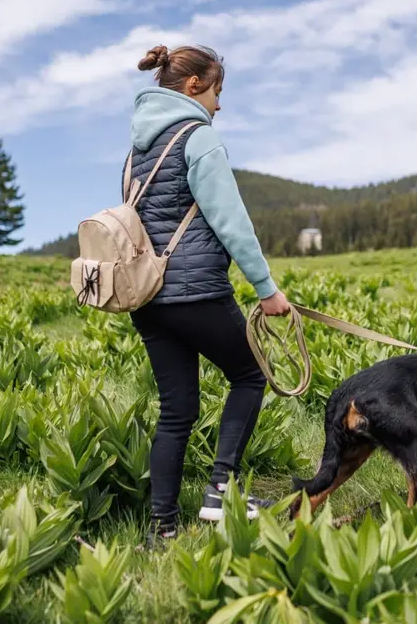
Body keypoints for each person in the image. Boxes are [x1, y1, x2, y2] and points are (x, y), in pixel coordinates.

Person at [125, 44, 291, 549]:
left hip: (148, 299)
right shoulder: (198, 137)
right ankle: (221, 492)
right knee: (249, 375)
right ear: (195, 84)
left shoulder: (138, 147)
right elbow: (232, 222)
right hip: (196, 292)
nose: (220, 104)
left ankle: (162, 528)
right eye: (218, 90)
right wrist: (267, 290)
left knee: (176, 409)